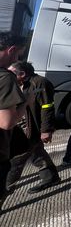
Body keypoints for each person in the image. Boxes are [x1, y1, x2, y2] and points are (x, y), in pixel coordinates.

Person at [7, 62, 60, 193]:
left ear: (22, 74)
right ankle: (51, 178)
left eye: (11, 73)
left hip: (31, 130)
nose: (8, 76)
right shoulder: (21, 83)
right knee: (37, 153)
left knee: (15, 162)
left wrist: (46, 130)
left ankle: (4, 189)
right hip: (22, 128)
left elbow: (47, 107)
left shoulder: (40, 83)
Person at [0, 32, 29, 210]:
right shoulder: (5, 77)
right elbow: (6, 122)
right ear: (11, 50)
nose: (17, 58)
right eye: (18, 54)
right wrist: (26, 101)